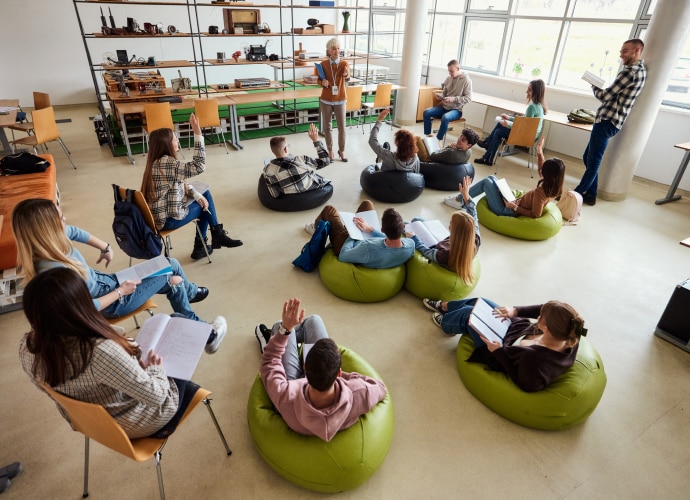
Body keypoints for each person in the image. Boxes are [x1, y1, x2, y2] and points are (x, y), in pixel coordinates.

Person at [11, 199, 226, 354]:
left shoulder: (52, 239)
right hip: (111, 303)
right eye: (60, 218)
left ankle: (201, 325)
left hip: (110, 281)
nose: (65, 219)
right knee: (170, 268)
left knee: (174, 278)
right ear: (47, 228)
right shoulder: (53, 272)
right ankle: (202, 324)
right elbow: (84, 308)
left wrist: (105, 247)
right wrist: (120, 292)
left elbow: (75, 231)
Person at [19, 267, 202, 439]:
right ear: (81, 306)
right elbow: (156, 397)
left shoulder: (28, 347)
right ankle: (210, 336)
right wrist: (155, 369)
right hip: (140, 422)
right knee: (178, 324)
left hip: (94, 424)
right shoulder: (98, 351)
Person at [255, 297, 387, 441]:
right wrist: (339, 376)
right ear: (339, 373)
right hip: (319, 386)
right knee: (313, 320)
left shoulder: (286, 396)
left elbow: (269, 361)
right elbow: (380, 387)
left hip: (294, 388)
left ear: (306, 366)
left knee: (280, 326)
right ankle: (293, 333)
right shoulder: (359, 393)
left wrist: (285, 330)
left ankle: (276, 336)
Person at [422, 297, 587, 392]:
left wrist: (498, 352)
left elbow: (526, 385)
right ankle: (445, 306)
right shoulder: (568, 334)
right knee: (481, 302)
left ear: (546, 328)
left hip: (500, 350)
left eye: (541, 316)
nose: (539, 314)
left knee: (469, 314)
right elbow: (543, 309)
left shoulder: (536, 359)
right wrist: (515, 311)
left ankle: (446, 323)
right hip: (515, 330)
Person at [141, 113, 242, 261]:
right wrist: (197, 133)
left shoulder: (156, 162)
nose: (177, 141)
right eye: (175, 139)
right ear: (167, 144)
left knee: (204, 195)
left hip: (157, 217)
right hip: (167, 220)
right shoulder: (166, 162)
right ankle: (208, 240)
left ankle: (210, 239)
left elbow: (180, 182)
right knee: (204, 208)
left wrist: (196, 195)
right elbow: (199, 166)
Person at [575, 38, 646, 206]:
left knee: (593, 161)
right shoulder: (641, 70)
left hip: (607, 121)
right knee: (588, 157)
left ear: (637, 50)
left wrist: (593, 84)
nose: (621, 54)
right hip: (611, 121)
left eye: (625, 51)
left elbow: (605, 96)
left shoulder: (630, 72)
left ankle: (575, 195)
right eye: (621, 51)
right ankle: (590, 195)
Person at [409, 177, 479, 286]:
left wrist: (414, 238)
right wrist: (465, 195)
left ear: (456, 231)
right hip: (445, 243)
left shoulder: (445, 255)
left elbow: (426, 251)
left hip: (437, 249)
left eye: (451, 223)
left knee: (410, 223)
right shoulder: (475, 238)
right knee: (418, 220)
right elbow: (473, 214)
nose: (449, 224)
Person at [306, 200, 415, 269]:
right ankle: (350, 227)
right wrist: (370, 229)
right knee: (367, 204)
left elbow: (344, 256)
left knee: (329, 210)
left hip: (348, 244)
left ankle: (315, 228)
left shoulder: (368, 248)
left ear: (382, 229)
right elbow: (391, 241)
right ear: (403, 227)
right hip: (367, 238)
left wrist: (351, 234)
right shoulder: (410, 244)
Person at [468, 141, 565, 218]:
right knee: (492, 178)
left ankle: (461, 199)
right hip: (513, 203)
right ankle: (463, 198)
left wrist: (514, 207)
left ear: (547, 174)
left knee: (486, 182)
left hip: (508, 211)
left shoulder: (541, 192)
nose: (541, 170)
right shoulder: (553, 186)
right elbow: (542, 168)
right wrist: (540, 153)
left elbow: (536, 214)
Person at [475, 79, 548, 165]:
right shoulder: (540, 106)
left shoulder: (532, 108)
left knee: (498, 131)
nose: (526, 91)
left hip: (527, 136)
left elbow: (525, 126)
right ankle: (488, 153)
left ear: (536, 92)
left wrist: (508, 125)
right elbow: (525, 121)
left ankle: (487, 152)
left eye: (529, 90)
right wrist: (509, 118)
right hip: (532, 136)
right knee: (500, 124)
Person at [264, 123, 332, 197]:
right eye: (287, 145)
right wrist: (316, 140)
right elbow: (325, 161)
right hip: (309, 188)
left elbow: (275, 194)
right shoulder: (301, 160)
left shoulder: (268, 169)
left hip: (289, 195)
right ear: (285, 149)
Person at [318, 37, 351, 162]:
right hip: (326, 99)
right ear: (329, 51)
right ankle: (330, 151)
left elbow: (347, 76)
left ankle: (341, 151)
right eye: (334, 49)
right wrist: (323, 82)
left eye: (338, 48)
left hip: (340, 99)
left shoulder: (344, 64)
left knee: (342, 127)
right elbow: (318, 80)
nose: (337, 51)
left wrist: (345, 74)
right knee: (327, 127)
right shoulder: (323, 64)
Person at [423, 59, 472, 142]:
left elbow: (468, 98)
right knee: (426, 112)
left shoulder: (466, 81)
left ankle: (438, 141)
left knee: (445, 117)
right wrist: (441, 96)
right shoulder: (449, 78)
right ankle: (427, 137)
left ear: (458, 68)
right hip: (444, 108)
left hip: (456, 110)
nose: (450, 73)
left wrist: (453, 99)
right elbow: (445, 93)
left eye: (451, 71)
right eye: (449, 71)